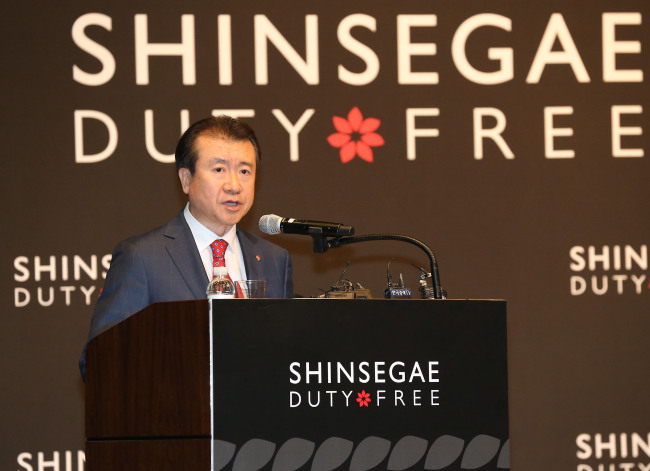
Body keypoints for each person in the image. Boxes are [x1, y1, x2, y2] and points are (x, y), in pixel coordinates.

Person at [79, 115, 293, 379]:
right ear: (185, 180)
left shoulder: (274, 259)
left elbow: (285, 355)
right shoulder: (144, 257)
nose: (234, 185)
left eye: (245, 171)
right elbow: (100, 360)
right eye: (219, 170)